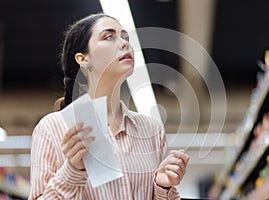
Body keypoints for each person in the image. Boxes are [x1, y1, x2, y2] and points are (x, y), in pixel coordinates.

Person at [29, 13, 189, 199]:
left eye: (125, 37)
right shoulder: (53, 129)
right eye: (109, 37)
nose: (124, 43)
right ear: (83, 59)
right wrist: (72, 170)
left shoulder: (151, 129)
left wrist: (162, 187)